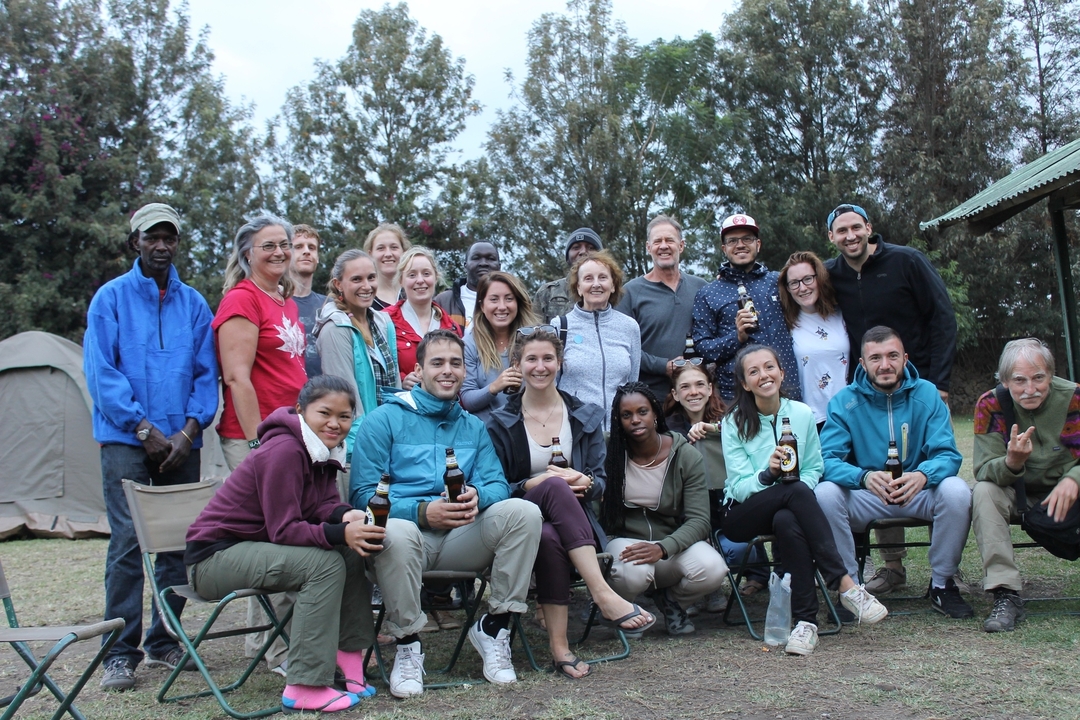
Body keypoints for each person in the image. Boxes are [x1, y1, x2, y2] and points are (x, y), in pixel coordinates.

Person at [350, 330, 543, 698]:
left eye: (455, 363)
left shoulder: (472, 425)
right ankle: (408, 644)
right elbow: (362, 496)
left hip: (461, 536)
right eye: (437, 362)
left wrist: (477, 496)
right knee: (396, 532)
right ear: (419, 369)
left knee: (523, 512)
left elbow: (498, 486)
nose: (448, 371)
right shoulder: (383, 420)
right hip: (404, 540)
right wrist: (422, 512)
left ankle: (494, 627)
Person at [184, 376, 380, 714]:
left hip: (252, 548)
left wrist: (347, 517)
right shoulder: (285, 449)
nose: (335, 423)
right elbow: (283, 529)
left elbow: (321, 505)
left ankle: (350, 667)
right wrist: (337, 533)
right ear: (301, 410)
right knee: (324, 563)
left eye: (344, 416)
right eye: (325, 413)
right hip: (214, 557)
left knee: (348, 555)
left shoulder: (321, 448)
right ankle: (304, 684)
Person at [84, 202, 217, 691]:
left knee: (180, 543)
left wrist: (187, 431)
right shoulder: (110, 299)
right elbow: (102, 373)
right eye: (151, 237)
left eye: (169, 237)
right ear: (134, 242)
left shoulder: (195, 304)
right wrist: (143, 429)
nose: (161, 245)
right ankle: (119, 653)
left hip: (182, 442)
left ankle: (165, 640)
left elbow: (207, 376)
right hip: (126, 439)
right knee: (127, 544)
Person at [486, 329, 655, 678]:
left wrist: (587, 481)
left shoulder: (585, 415)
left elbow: (601, 481)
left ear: (560, 363)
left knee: (550, 534)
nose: (540, 366)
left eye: (548, 358)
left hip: (568, 524)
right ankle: (602, 593)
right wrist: (536, 482)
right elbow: (496, 486)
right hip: (518, 521)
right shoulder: (500, 422)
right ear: (517, 364)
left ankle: (560, 649)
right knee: (552, 487)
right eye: (531, 359)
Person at [824, 203, 958, 594]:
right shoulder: (830, 275)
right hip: (863, 389)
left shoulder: (906, 261)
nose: (850, 236)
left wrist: (940, 381)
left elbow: (942, 317)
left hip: (918, 383)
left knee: (927, 466)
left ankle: (945, 574)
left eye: (855, 228)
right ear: (831, 238)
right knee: (877, 464)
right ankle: (891, 566)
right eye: (841, 231)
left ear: (869, 228)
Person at [721, 344, 887, 656]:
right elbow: (739, 486)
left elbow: (813, 468)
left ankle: (805, 624)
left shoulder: (801, 413)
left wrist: (796, 487)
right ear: (745, 383)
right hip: (743, 513)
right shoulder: (734, 423)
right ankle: (843, 582)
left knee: (789, 515)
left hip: (789, 508)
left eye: (769, 367)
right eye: (753, 371)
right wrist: (768, 475)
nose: (763, 375)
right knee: (795, 491)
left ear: (782, 373)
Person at [816, 326, 973, 619]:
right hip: (869, 493)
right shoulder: (844, 401)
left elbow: (948, 454)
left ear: (905, 358)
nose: (885, 365)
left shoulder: (927, 393)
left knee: (956, 490)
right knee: (824, 493)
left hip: (917, 491)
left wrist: (923, 475)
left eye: (892, 356)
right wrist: (862, 477)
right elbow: (827, 459)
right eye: (875, 358)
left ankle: (942, 584)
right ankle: (850, 590)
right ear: (862, 363)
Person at [601, 382, 727, 636]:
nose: (635, 420)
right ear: (618, 420)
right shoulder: (609, 451)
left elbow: (700, 520)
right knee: (633, 573)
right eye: (627, 415)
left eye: (642, 412)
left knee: (713, 568)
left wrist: (663, 547)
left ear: (656, 413)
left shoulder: (685, 455)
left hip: (669, 545)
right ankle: (625, 611)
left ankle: (671, 601)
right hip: (625, 543)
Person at [972, 338, 1080, 632]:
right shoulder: (990, 404)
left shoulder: (1075, 398)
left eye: (1039, 378)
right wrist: (1012, 463)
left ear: (1051, 374)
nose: (1030, 389)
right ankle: (1005, 592)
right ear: (1005, 381)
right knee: (984, 492)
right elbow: (983, 469)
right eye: (1019, 380)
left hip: (1071, 493)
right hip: (1019, 493)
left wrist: (1074, 478)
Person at [663, 362, 765, 603]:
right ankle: (705, 587)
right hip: (689, 508)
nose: (694, 392)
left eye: (700, 385)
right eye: (685, 387)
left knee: (738, 549)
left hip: (728, 503)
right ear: (676, 394)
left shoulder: (731, 420)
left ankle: (757, 574)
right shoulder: (667, 431)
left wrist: (714, 429)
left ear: (710, 389)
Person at [214, 213, 308, 472]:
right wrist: (257, 442)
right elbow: (236, 378)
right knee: (263, 512)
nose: (278, 252)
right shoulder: (242, 300)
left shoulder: (285, 300)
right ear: (247, 254)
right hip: (255, 435)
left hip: (289, 429)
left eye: (284, 245)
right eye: (268, 246)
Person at [692, 213, 799, 402]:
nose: (740, 245)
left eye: (747, 239)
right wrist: (737, 337)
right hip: (737, 397)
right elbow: (703, 349)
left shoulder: (779, 281)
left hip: (786, 389)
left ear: (758, 244)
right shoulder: (708, 293)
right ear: (724, 248)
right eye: (732, 241)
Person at [314, 249, 401, 455]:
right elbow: (344, 401)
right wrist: (361, 451)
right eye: (356, 279)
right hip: (358, 448)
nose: (366, 286)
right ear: (338, 284)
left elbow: (395, 386)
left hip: (390, 441)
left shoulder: (383, 322)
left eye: (371, 278)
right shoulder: (335, 330)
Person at [617, 215, 707, 400]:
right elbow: (621, 348)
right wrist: (662, 366)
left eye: (669, 240)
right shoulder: (629, 293)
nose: (664, 246)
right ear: (648, 247)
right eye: (657, 241)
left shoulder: (702, 287)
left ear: (681, 246)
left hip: (696, 397)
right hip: (650, 396)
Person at [555, 249, 641, 433]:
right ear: (578, 287)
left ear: (613, 285)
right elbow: (551, 384)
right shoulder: (560, 326)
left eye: (603, 277)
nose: (596, 284)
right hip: (575, 430)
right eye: (588, 279)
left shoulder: (629, 327)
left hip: (620, 432)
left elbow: (633, 383)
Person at [777, 251, 850, 429]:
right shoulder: (785, 323)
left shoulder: (841, 314)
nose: (802, 288)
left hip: (847, 412)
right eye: (794, 283)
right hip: (809, 417)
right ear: (787, 288)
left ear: (819, 279)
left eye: (808, 279)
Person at [461, 271, 538, 424]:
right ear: (482, 305)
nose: (502, 307)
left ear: (517, 303)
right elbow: (467, 400)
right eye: (494, 300)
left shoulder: (535, 339)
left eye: (509, 299)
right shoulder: (469, 344)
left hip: (530, 429)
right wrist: (495, 387)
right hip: (488, 436)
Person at [382, 246, 462, 391]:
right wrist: (401, 381)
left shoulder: (451, 327)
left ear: (435, 277)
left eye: (426, 274)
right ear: (401, 280)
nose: (420, 280)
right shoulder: (384, 320)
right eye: (412, 275)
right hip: (401, 408)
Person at [534, 227, 603, 323]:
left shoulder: (609, 292)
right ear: (567, 256)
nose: (583, 252)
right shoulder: (547, 292)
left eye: (591, 248)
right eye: (576, 247)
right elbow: (533, 332)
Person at [433, 241, 501, 329]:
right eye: (476, 258)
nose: (483, 263)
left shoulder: (512, 302)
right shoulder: (443, 301)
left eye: (490, 258)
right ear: (465, 265)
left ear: (499, 266)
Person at [290, 224, 326, 377]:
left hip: (325, 393)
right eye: (298, 246)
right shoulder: (273, 302)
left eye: (312, 247)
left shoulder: (329, 305)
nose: (306, 251)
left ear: (317, 257)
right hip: (286, 396)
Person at [364, 223, 411, 311]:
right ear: (370, 255)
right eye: (381, 248)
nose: (388, 254)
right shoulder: (363, 298)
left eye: (394, 247)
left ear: (404, 252)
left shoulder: (414, 293)